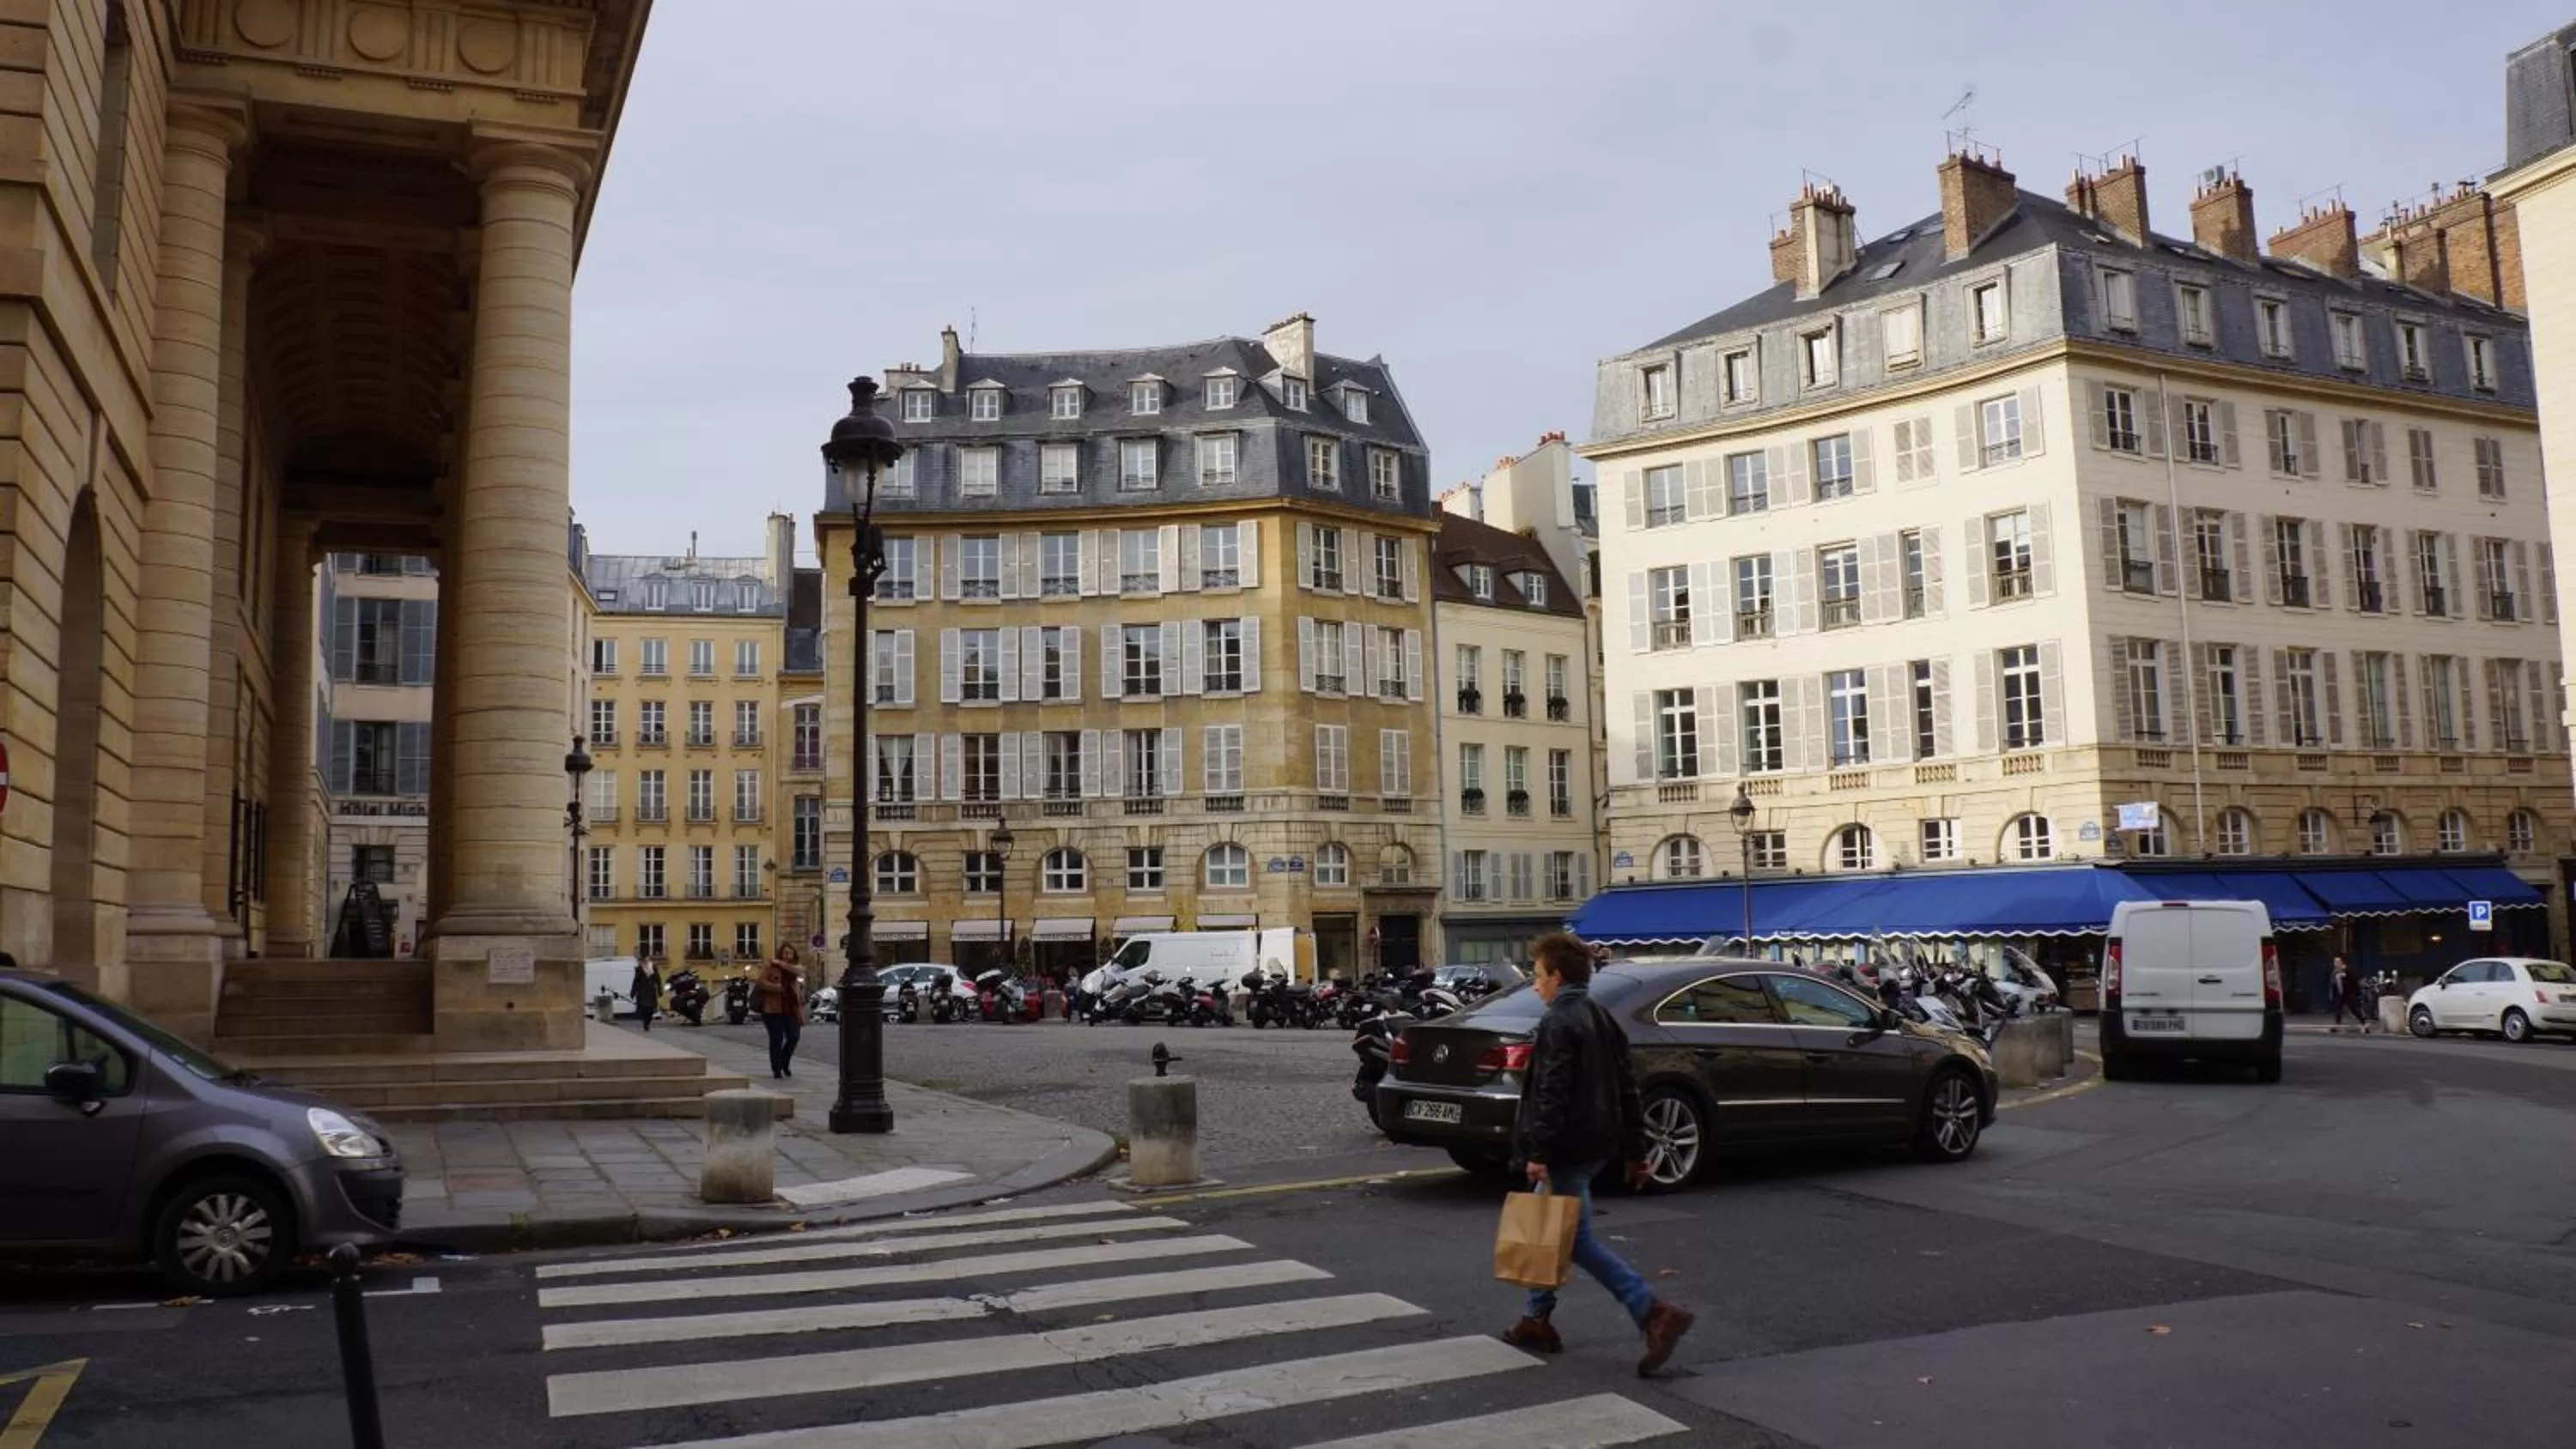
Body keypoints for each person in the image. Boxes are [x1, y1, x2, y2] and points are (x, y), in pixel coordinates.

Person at [1502, 931, 1694, 1376]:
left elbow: (1552, 1093)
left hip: (1566, 1147)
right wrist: (1636, 1150)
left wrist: (1538, 1151)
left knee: (1574, 1239)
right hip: (1595, 1144)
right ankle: (1535, 1319)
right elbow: (1627, 1087)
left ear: (1557, 976)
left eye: (1538, 975)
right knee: (1548, 1228)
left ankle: (1652, 1312)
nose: (1535, 984)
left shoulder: (1558, 1021)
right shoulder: (1600, 1016)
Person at [757, 944, 805, 1079]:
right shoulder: (771, 968)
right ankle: (777, 1069)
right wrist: (776, 988)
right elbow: (761, 982)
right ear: (780, 954)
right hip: (773, 1009)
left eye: (790, 953)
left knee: (794, 1037)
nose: (788, 956)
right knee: (776, 1039)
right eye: (785, 953)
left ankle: (784, 1062)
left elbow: (800, 971)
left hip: (792, 1009)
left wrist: (782, 964)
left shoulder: (796, 968)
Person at [630, 957, 662, 1033]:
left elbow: (658, 981)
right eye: (644, 961)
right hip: (642, 992)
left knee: (651, 1010)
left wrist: (660, 991)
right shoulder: (640, 970)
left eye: (647, 960)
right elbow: (636, 981)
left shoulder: (654, 969)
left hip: (651, 992)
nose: (645, 962)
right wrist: (633, 992)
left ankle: (647, 1023)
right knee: (644, 1009)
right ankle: (645, 1024)